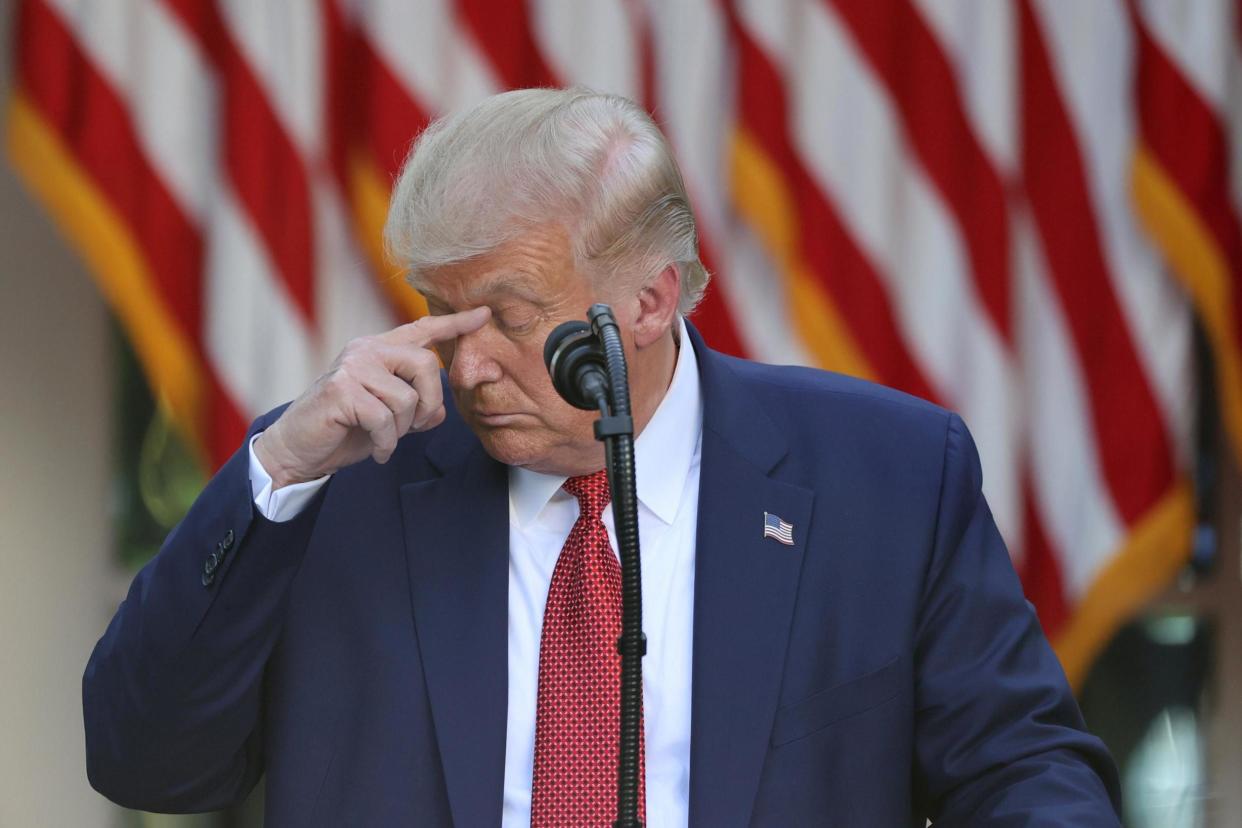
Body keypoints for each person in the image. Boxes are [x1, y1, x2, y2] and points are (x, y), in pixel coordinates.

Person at [83, 88, 1120, 826]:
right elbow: (144, 760)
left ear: (652, 299)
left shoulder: (887, 477)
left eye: (511, 317)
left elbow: (1022, 772)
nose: (470, 362)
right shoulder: (348, 481)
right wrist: (279, 473)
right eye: (442, 313)